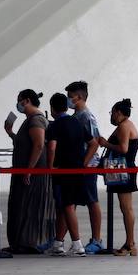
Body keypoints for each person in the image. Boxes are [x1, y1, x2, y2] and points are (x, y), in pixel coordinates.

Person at [44, 93, 92, 256]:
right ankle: (58, 244)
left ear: (52, 108)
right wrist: (83, 162)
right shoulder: (77, 122)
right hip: (76, 170)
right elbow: (93, 143)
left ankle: (77, 245)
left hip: (62, 171)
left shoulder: (54, 126)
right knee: (63, 207)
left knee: (67, 206)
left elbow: (51, 147)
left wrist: (50, 168)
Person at [6, 90, 54, 253]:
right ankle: (21, 242)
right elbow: (25, 143)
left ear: (27, 101)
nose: (18, 104)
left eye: (19, 101)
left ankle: (29, 242)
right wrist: (11, 133)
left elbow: (39, 145)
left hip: (33, 172)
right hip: (28, 171)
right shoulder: (31, 121)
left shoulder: (36, 120)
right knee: (22, 205)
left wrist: (28, 170)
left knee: (29, 206)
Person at [65, 81, 105, 253]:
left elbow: (94, 143)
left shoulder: (86, 117)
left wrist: (83, 164)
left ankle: (97, 240)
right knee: (69, 202)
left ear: (79, 97)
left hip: (86, 166)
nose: (68, 100)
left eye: (70, 96)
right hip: (76, 165)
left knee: (91, 200)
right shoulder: (75, 116)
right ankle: (59, 239)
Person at [98, 98, 138, 256]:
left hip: (124, 170)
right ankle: (130, 242)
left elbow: (123, 148)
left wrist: (105, 143)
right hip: (122, 169)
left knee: (126, 207)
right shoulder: (126, 125)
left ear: (119, 112)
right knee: (125, 208)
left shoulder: (124, 126)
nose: (111, 116)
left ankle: (130, 242)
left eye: (112, 112)